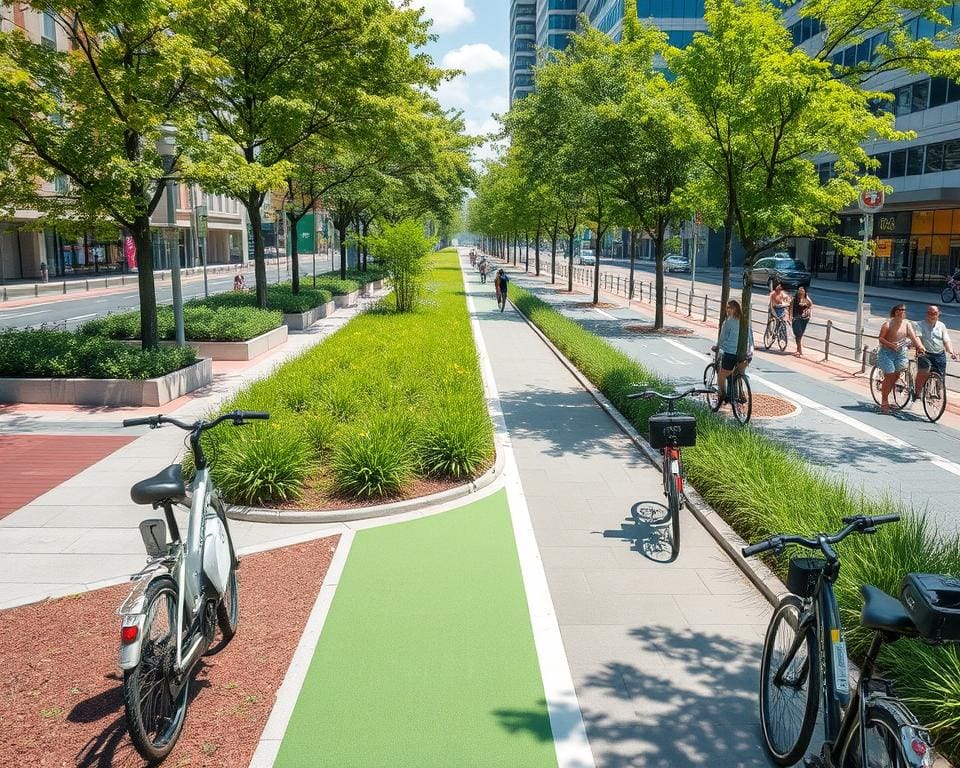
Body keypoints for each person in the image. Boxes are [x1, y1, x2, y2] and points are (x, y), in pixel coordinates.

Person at [877, 304, 925, 413]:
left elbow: (913, 337)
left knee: (896, 375)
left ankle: (889, 397)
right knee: (889, 375)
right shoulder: (887, 324)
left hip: (901, 353)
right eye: (900, 310)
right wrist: (890, 345)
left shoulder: (907, 324)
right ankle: (884, 402)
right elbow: (880, 338)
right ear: (895, 312)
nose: (902, 312)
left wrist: (919, 346)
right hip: (886, 353)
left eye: (904, 310)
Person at [715, 300, 755, 405]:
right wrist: (750, 352)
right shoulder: (745, 321)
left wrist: (718, 346)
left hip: (731, 353)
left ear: (732, 309)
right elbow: (751, 338)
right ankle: (741, 394)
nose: (727, 310)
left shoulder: (729, 321)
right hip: (746, 355)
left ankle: (721, 395)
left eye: (728, 308)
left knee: (721, 376)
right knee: (739, 373)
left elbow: (723, 337)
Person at [914, 305, 958, 395]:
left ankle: (938, 393)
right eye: (930, 313)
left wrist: (951, 351)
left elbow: (946, 340)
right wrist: (921, 346)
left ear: (938, 314)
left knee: (940, 376)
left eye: (935, 313)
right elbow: (917, 337)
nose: (932, 315)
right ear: (927, 314)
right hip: (925, 354)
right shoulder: (919, 324)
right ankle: (917, 393)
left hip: (939, 354)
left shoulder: (941, 325)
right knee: (923, 374)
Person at [791, 286, 813, 357]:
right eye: (800, 293)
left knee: (800, 334)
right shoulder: (794, 299)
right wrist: (791, 317)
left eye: (802, 292)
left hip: (804, 319)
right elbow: (790, 308)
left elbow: (810, 305)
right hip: (796, 318)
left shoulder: (806, 298)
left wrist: (809, 311)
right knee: (798, 334)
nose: (801, 294)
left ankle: (798, 350)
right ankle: (799, 350)